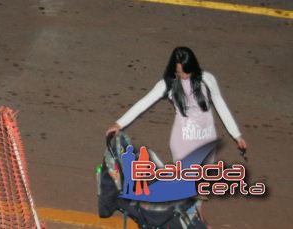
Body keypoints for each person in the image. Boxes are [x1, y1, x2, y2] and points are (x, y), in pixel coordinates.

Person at [106, 46, 248, 164]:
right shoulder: (167, 85)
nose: (185, 76)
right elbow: (143, 103)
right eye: (181, 72)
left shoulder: (207, 80)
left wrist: (236, 135)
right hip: (183, 136)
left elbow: (220, 105)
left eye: (188, 71)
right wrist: (119, 124)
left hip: (206, 134)